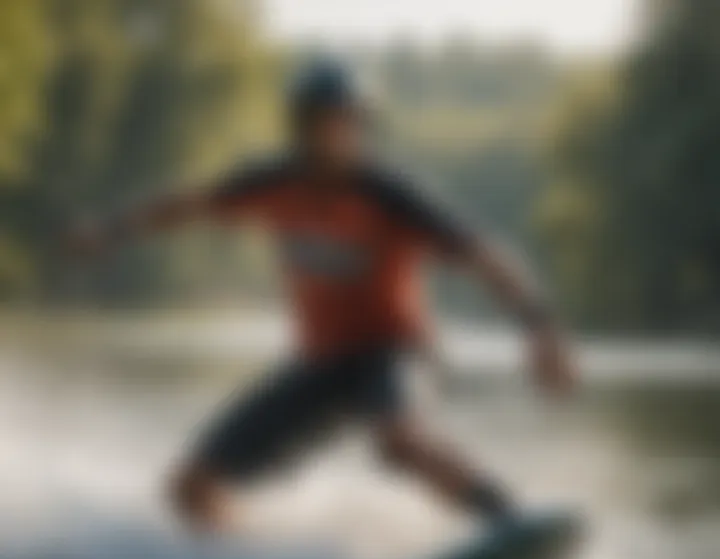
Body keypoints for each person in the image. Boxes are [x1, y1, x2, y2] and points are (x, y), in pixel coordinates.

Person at [67, 59, 576, 534]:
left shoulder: (390, 195)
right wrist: (112, 229)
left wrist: (540, 328)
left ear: (363, 125)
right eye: (322, 121)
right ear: (300, 126)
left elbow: (487, 256)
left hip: (395, 352)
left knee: (398, 440)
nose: (336, 133)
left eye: (347, 121)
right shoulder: (272, 183)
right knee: (189, 489)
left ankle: (506, 524)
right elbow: (188, 204)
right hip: (321, 364)